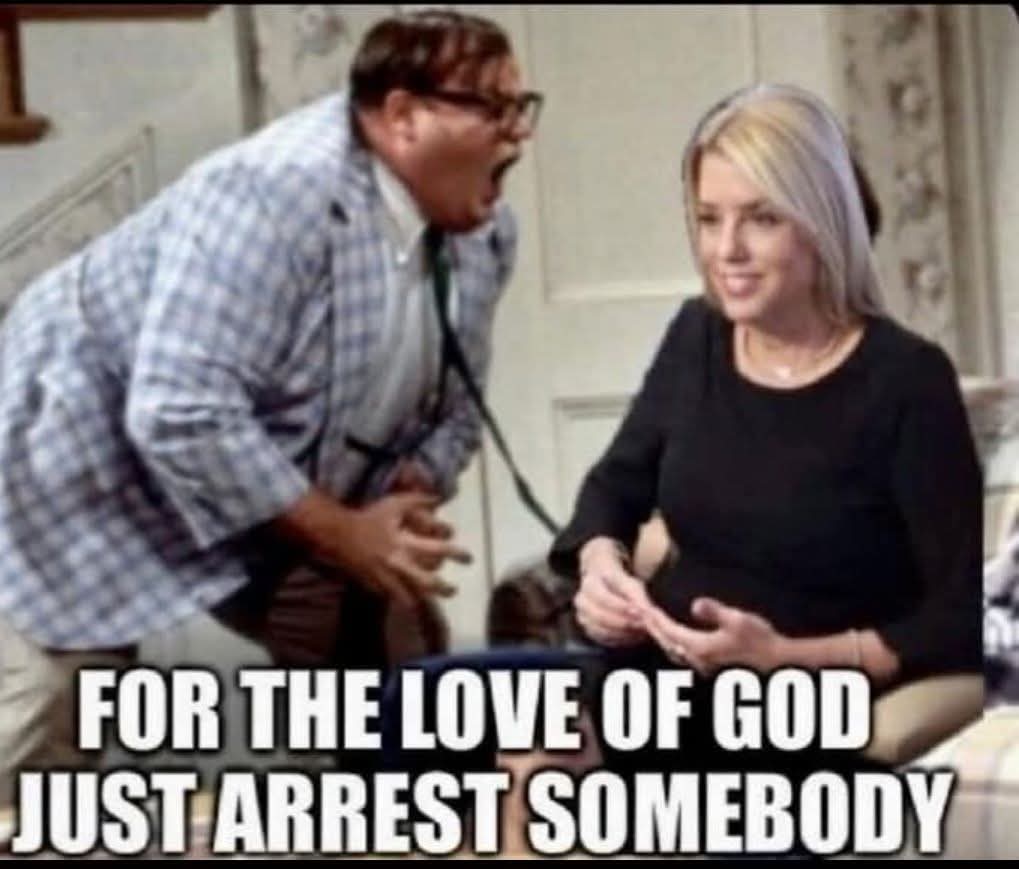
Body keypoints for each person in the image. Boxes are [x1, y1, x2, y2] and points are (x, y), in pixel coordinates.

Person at [0, 8, 542, 806]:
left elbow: (455, 411)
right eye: (491, 107)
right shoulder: (272, 194)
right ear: (402, 115)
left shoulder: (480, 233)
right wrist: (342, 531)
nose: (517, 132)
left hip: (277, 483)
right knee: (48, 718)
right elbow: (180, 410)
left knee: (406, 680)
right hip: (91, 473)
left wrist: (400, 499)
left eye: (521, 106)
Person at [498, 82, 983, 855]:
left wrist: (784, 657)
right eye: (708, 218)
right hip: (657, 680)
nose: (725, 250)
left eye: (760, 218)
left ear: (821, 223)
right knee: (416, 707)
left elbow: (955, 619)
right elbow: (613, 487)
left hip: (795, 717)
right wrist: (600, 566)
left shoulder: (906, 381)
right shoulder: (697, 335)